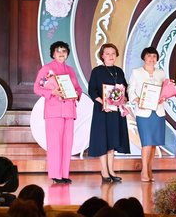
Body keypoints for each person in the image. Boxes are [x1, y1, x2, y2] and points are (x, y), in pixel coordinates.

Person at [33, 41, 83, 184]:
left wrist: (77, 94)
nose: (61, 54)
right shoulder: (47, 69)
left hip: (69, 110)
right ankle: (55, 174)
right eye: (58, 51)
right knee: (54, 143)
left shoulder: (70, 70)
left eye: (64, 51)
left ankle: (64, 174)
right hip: (54, 110)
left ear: (67, 54)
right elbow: (37, 88)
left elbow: (78, 88)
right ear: (53, 54)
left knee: (67, 143)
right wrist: (52, 92)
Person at [87, 43, 130, 183]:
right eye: (107, 53)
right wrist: (103, 102)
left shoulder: (119, 71)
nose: (111, 56)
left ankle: (111, 170)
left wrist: (124, 100)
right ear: (102, 56)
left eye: (113, 53)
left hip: (116, 112)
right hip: (102, 111)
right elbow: (92, 90)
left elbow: (125, 89)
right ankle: (104, 171)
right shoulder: (97, 71)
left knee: (113, 140)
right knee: (103, 140)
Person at [127, 46, 167, 182]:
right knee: (146, 143)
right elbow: (131, 89)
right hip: (143, 112)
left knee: (154, 143)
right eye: (149, 56)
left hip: (158, 112)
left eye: (154, 56)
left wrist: (165, 97)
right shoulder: (136, 72)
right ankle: (144, 171)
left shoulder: (161, 73)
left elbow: (165, 90)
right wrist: (137, 100)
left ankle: (150, 170)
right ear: (144, 57)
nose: (151, 58)